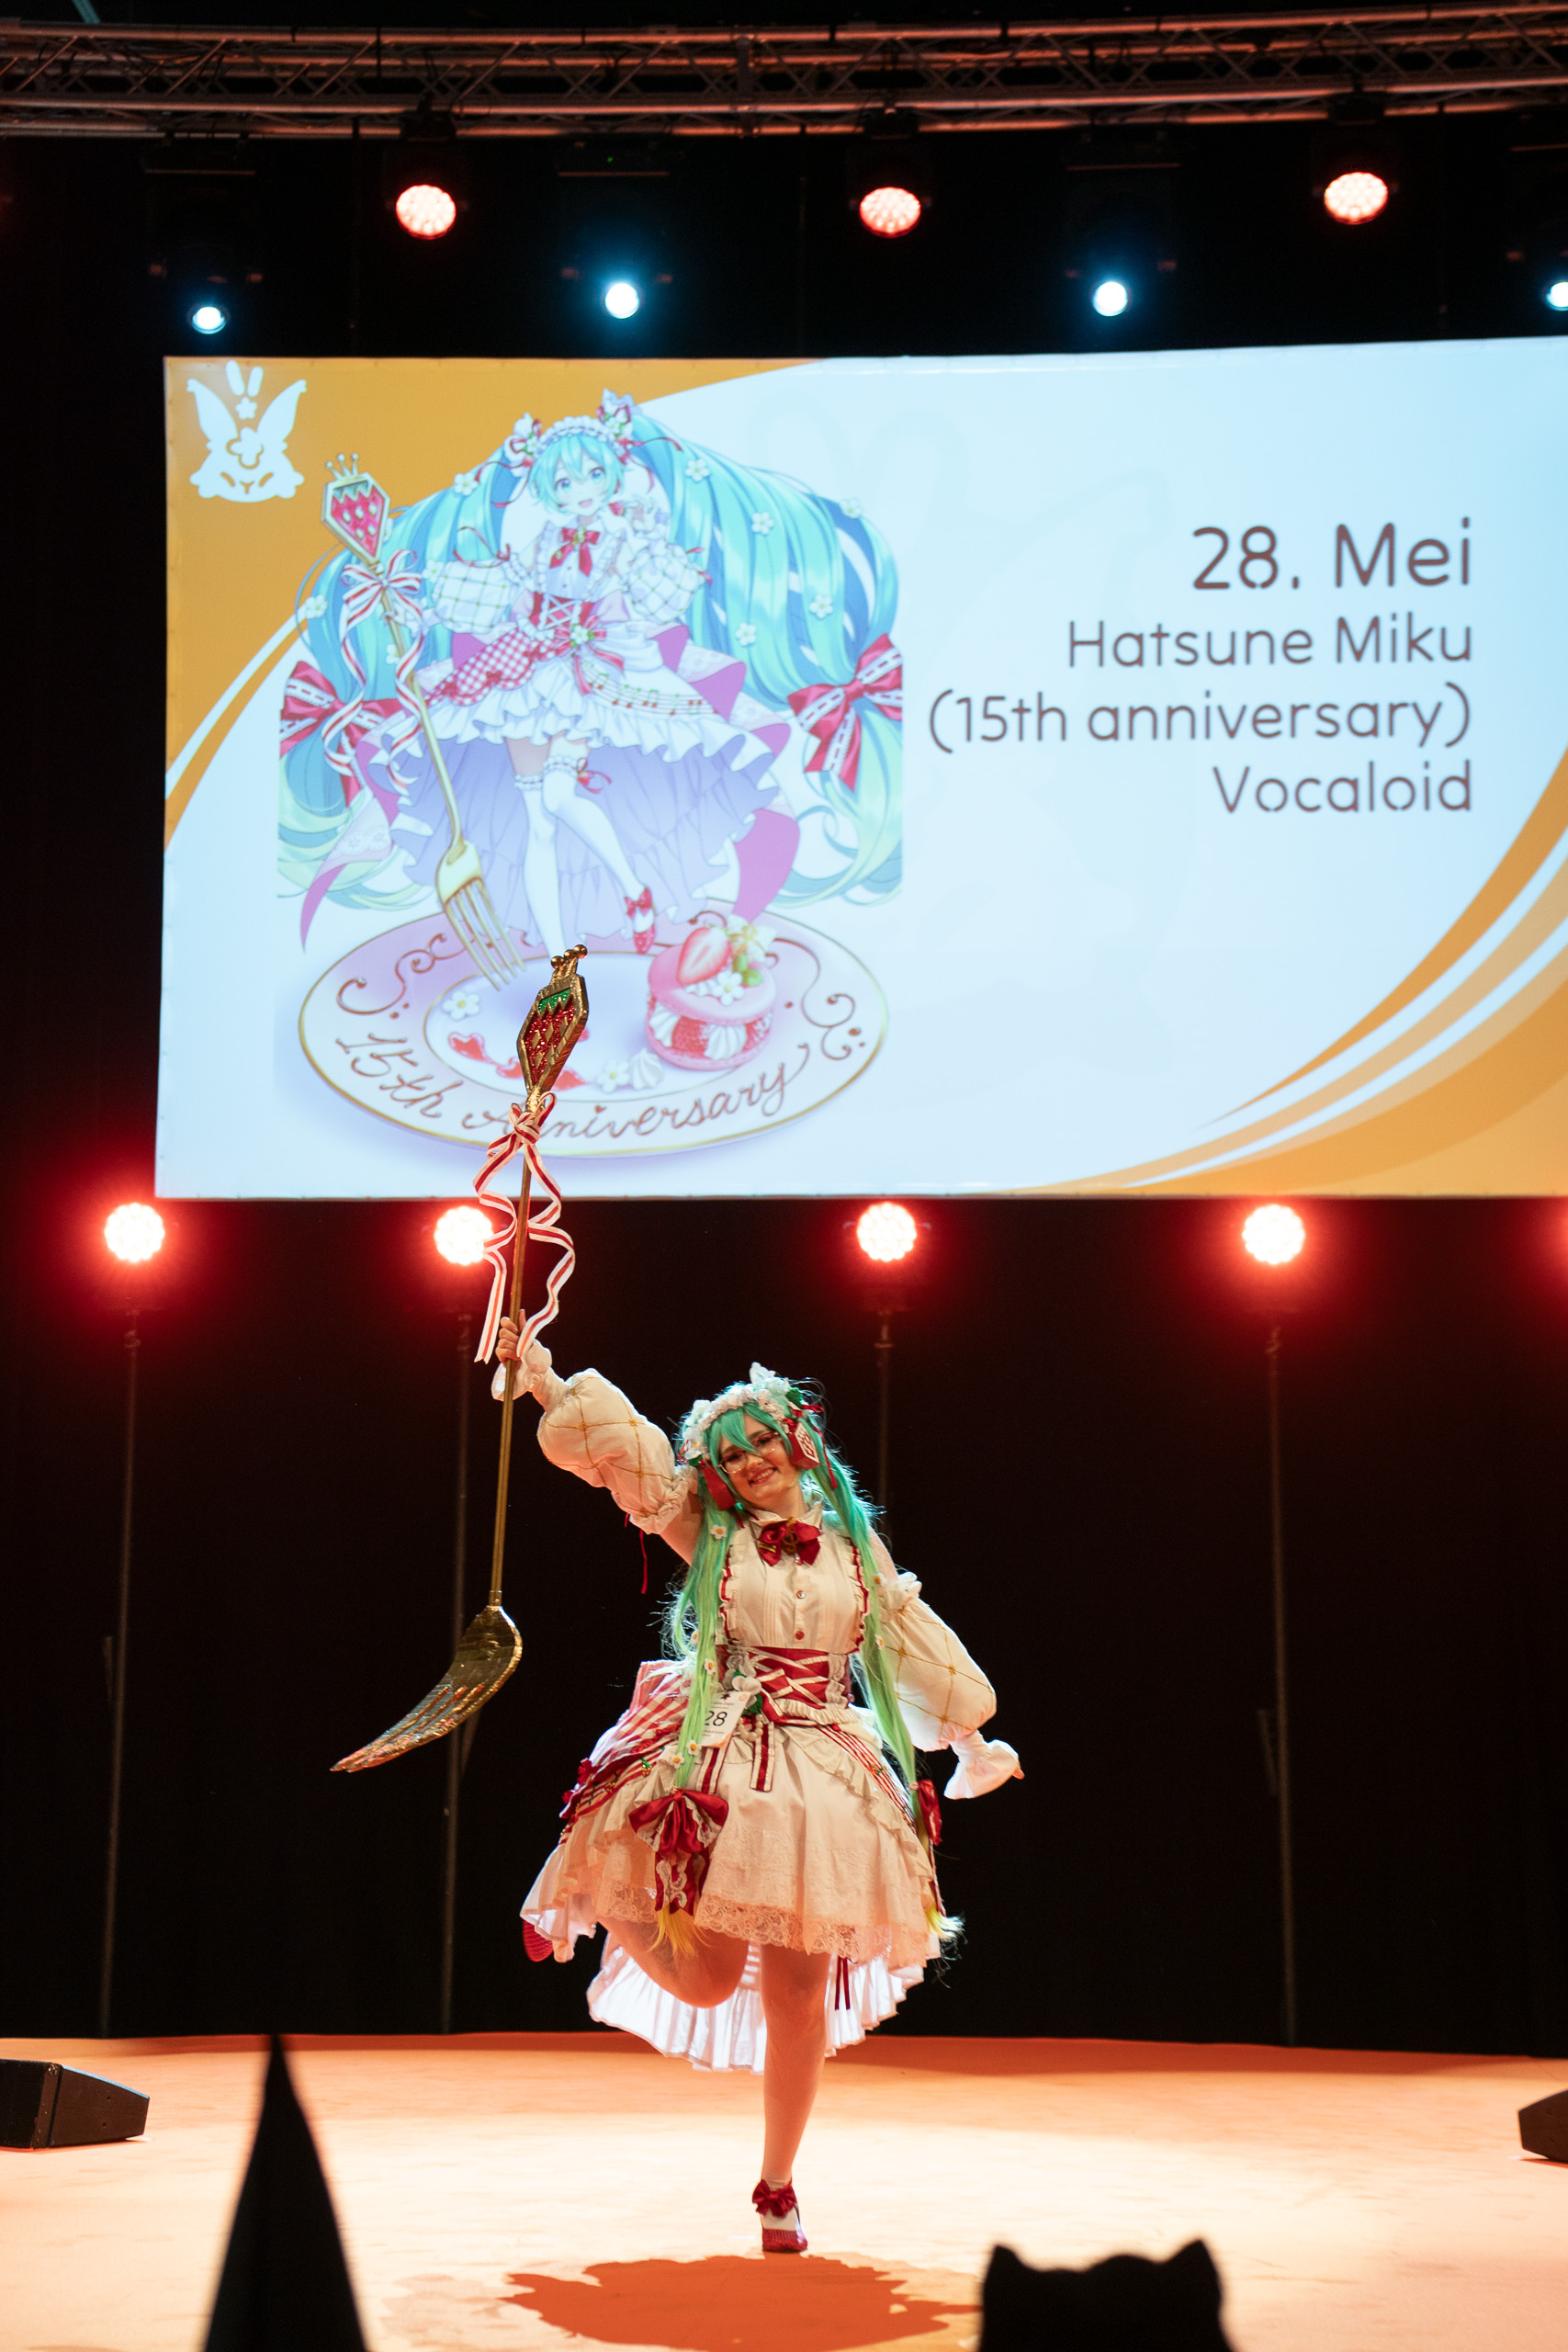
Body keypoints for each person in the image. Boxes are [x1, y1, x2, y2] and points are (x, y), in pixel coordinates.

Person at [493, 1321, 1022, 2254]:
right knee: (703, 1982)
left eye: (760, 1444)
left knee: (799, 1996)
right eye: (730, 1456)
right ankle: (600, 1896)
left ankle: (777, 2184)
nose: (747, 1463)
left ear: (796, 1443)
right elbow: (629, 1465)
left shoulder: (856, 1551)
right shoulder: (708, 1532)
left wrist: (969, 1740)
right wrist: (539, 1376)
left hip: (826, 1772)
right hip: (733, 1754)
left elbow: (908, 1646)